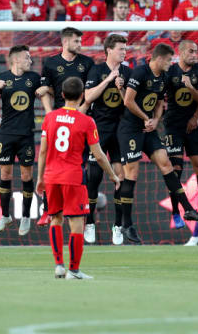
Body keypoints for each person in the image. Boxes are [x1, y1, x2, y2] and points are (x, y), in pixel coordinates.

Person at [115, 43, 198, 244]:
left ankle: (188, 210)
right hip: (130, 129)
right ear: (159, 59)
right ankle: (126, 224)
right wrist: (144, 118)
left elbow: (158, 102)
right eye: (168, 60)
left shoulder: (163, 77)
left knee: (166, 165)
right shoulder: (140, 72)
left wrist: (156, 119)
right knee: (132, 174)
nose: (171, 64)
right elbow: (128, 101)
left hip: (149, 129)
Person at [38, 77, 120, 280]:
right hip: (73, 177)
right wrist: (113, 175)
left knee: (55, 218)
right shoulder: (86, 121)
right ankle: (73, 271)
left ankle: (59, 265)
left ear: (62, 95)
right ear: (83, 95)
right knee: (76, 223)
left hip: (51, 176)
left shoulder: (50, 118)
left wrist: (39, 178)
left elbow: (42, 151)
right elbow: (99, 155)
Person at [36, 27, 95, 225]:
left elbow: (89, 93)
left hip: (80, 119)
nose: (80, 45)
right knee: (52, 164)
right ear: (66, 42)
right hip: (59, 121)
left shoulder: (87, 63)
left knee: (80, 165)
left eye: (80, 41)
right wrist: (49, 114)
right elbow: (43, 90)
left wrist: (80, 114)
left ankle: (80, 211)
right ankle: (48, 208)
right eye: (77, 41)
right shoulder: (51, 63)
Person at [0, 46, 41, 235]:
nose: (30, 61)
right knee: (5, 175)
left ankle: (25, 216)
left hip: (26, 134)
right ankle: (5, 215)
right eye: (27, 58)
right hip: (6, 134)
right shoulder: (2, 78)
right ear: (16, 60)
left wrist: (44, 90)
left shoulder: (33, 78)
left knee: (26, 176)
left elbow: (44, 89)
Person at [80, 35, 130, 243]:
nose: (124, 52)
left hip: (121, 131)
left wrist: (121, 88)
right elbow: (88, 96)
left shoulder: (128, 72)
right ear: (109, 50)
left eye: (125, 49)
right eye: (120, 48)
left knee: (121, 178)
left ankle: (118, 226)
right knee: (93, 178)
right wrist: (109, 80)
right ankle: (89, 222)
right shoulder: (97, 70)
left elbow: (130, 102)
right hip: (99, 130)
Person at [162, 40, 198, 228]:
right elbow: (160, 95)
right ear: (181, 52)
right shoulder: (171, 71)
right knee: (176, 169)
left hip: (192, 125)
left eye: (196, 51)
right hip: (173, 126)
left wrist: (195, 113)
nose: (194, 54)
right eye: (191, 51)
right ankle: (176, 212)